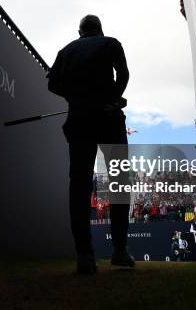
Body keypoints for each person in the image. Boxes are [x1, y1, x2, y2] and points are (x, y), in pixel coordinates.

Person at [48, 14, 134, 274]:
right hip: (108, 117)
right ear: (99, 29)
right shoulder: (111, 43)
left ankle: (84, 256)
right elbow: (124, 74)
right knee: (118, 183)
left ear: (80, 32)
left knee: (80, 185)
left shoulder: (66, 50)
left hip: (79, 120)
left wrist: (74, 97)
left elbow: (52, 84)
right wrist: (113, 98)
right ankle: (119, 251)